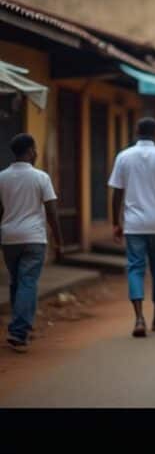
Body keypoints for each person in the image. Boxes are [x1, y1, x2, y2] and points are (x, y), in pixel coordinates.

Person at [108, 118, 155, 338]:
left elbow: (117, 193)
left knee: (135, 268)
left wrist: (115, 222)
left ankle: (139, 318)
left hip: (133, 224)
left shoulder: (123, 156)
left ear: (136, 131)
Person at [0, 134, 64, 353]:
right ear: (29, 151)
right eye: (34, 149)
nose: (36, 153)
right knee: (28, 282)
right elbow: (52, 211)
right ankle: (19, 332)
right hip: (34, 238)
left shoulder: (2, 177)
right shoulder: (41, 177)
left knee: (16, 282)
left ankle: (18, 326)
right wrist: (59, 241)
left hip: (9, 238)